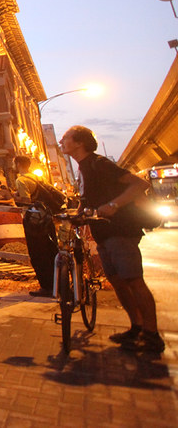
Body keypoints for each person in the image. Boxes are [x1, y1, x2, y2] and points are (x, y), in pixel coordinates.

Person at [59, 126, 164, 354]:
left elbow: (140, 184)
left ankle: (152, 334)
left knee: (134, 280)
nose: (61, 140)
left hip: (120, 231)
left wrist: (114, 205)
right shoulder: (82, 170)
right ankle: (136, 326)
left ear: (79, 142)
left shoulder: (100, 163)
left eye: (66, 137)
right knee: (117, 281)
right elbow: (89, 200)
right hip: (102, 234)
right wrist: (76, 214)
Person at [14, 155, 57, 298]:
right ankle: (56, 283)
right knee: (51, 250)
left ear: (18, 164)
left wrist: (15, 198)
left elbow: (26, 200)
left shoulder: (21, 180)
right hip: (46, 217)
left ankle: (46, 286)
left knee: (38, 253)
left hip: (33, 220)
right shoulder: (37, 178)